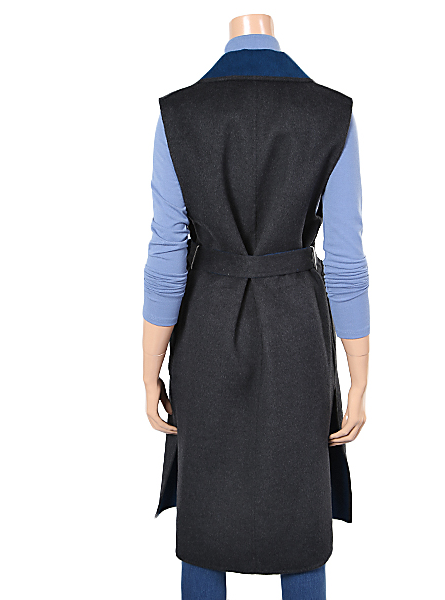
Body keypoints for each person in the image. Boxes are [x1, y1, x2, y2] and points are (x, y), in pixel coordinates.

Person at [142, 14, 370, 600]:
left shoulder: (178, 116)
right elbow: (346, 261)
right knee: (301, 513)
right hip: (298, 328)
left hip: (206, 328)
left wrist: (149, 369)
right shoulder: (332, 114)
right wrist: (359, 379)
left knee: (204, 514)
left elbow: (166, 254)